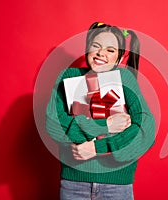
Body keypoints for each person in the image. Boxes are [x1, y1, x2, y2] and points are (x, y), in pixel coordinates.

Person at [46, 22, 155, 200]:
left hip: (117, 186)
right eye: (96, 46)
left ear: (119, 58)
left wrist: (96, 148)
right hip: (74, 185)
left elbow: (146, 130)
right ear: (87, 49)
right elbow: (54, 124)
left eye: (110, 50)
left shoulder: (125, 78)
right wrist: (106, 125)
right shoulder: (69, 76)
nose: (101, 53)